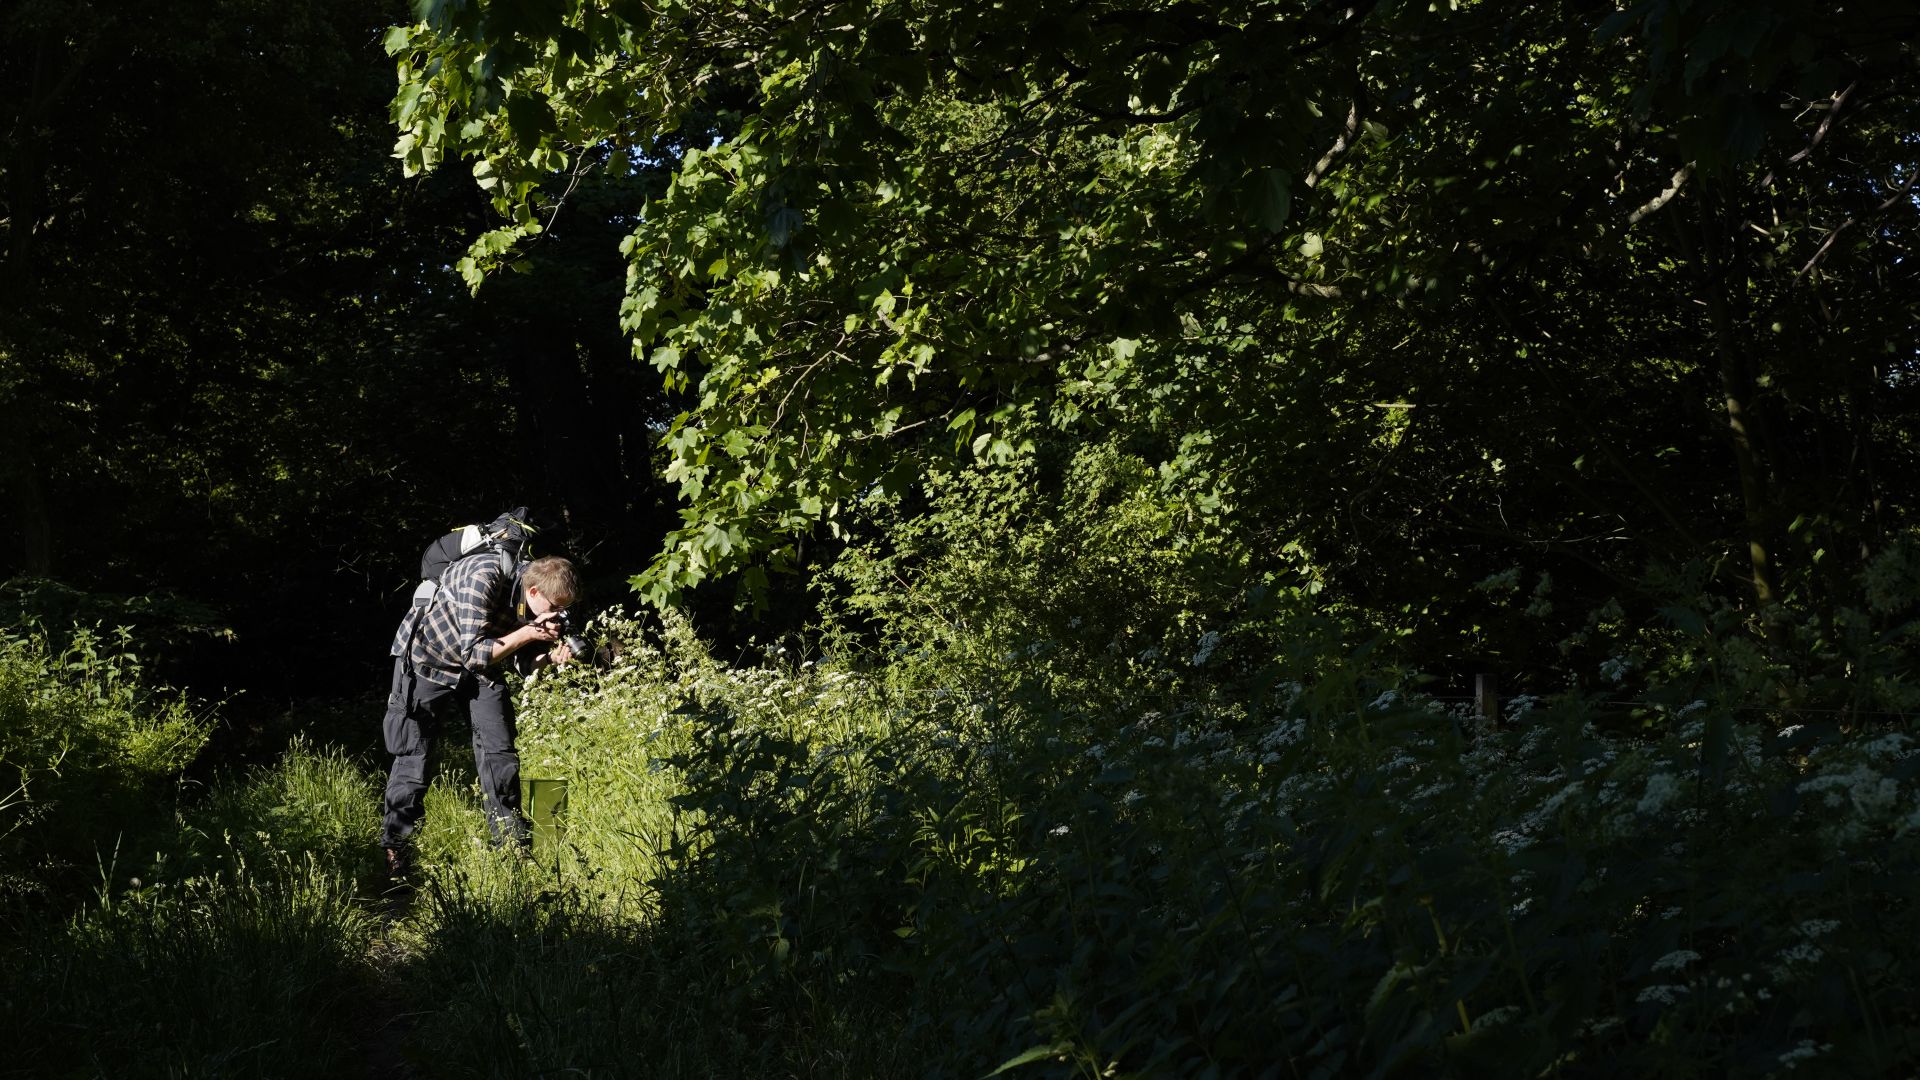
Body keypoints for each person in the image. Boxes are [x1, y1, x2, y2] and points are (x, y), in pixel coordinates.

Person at [378, 553, 582, 875]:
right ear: (533, 593)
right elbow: (474, 654)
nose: (559, 615)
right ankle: (397, 851)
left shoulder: (529, 603)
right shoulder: (483, 578)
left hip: (480, 669)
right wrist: (529, 632)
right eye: (555, 607)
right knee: (414, 757)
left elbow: (519, 660)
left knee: (499, 753)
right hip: (427, 660)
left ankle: (511, 848)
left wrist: (549, 659)